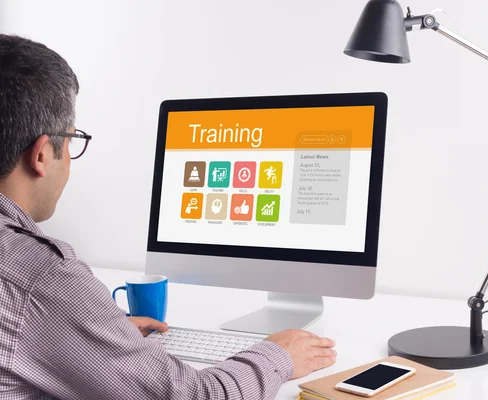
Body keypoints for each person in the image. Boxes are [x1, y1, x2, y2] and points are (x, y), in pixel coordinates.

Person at [0, 34, 336, 399]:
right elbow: (195, 396)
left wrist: (99, 335)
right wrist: (279, 356)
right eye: (71, 140)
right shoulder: (41, 277)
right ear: (40, 156)